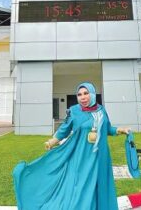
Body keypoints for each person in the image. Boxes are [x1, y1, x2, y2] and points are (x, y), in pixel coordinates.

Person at [13, 82, 130, 210]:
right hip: (81, 156)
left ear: (92, 94)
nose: (83, 97)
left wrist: (120, 130)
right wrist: (52, 141)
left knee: (98, 184)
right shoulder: (74, 111)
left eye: (86, 93)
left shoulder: (101, 110)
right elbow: (64, 129)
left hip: (100, 156)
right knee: (82, 185)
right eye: (79, 94)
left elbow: (107, 129)